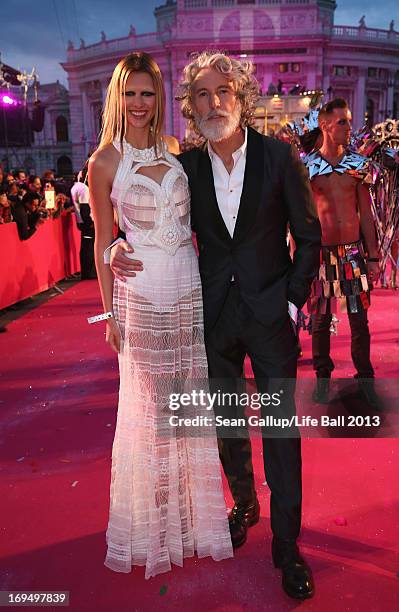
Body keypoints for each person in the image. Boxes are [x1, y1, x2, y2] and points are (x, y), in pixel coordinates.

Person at [109, 51, 321, 600]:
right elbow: (146, 216)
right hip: (214, 320)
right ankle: (244, 502)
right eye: (201, 95)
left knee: (279, 432)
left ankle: (285, 544)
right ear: (190, 106)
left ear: (241, 96)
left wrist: (293, 303)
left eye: (221, 92)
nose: (212, 103)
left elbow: (309, 236)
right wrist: (112, 244)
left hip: (272, 319)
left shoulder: (280, 157)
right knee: (228, 426)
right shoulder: (189, 168)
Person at [88, 51, 233, 580]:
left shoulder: (175, 150)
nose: (140, 104)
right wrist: (109, 314)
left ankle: (192, 523)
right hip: (142, 294)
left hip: (187, 287)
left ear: (159, 98)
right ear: (117, 97)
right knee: (150, 412)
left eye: (148, 94)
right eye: (130, 94)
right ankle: (150, 528)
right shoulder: (105, 161)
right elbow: (104, 240)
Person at [303, 98, 380, 407]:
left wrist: (373, 256)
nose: (349, 128)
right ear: (325, 126)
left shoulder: (358, 165)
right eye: (343, 122)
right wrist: (299, 259)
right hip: (320, 255)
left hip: (352, 254)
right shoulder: (308, 167)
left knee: (360, 320)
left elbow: (366, 214)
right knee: (320, 320)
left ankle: (365, 379)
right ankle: (323, 379)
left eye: (349, 121)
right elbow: (302, 219)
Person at [71, 162, 96, 279]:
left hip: (82, 223)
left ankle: (87, 272)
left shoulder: (75, 188)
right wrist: (89, 223)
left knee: (86, 247)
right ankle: (89, 273)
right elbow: (85, 208)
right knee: (89, 248)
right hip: (87, 223)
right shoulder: (83, 189)